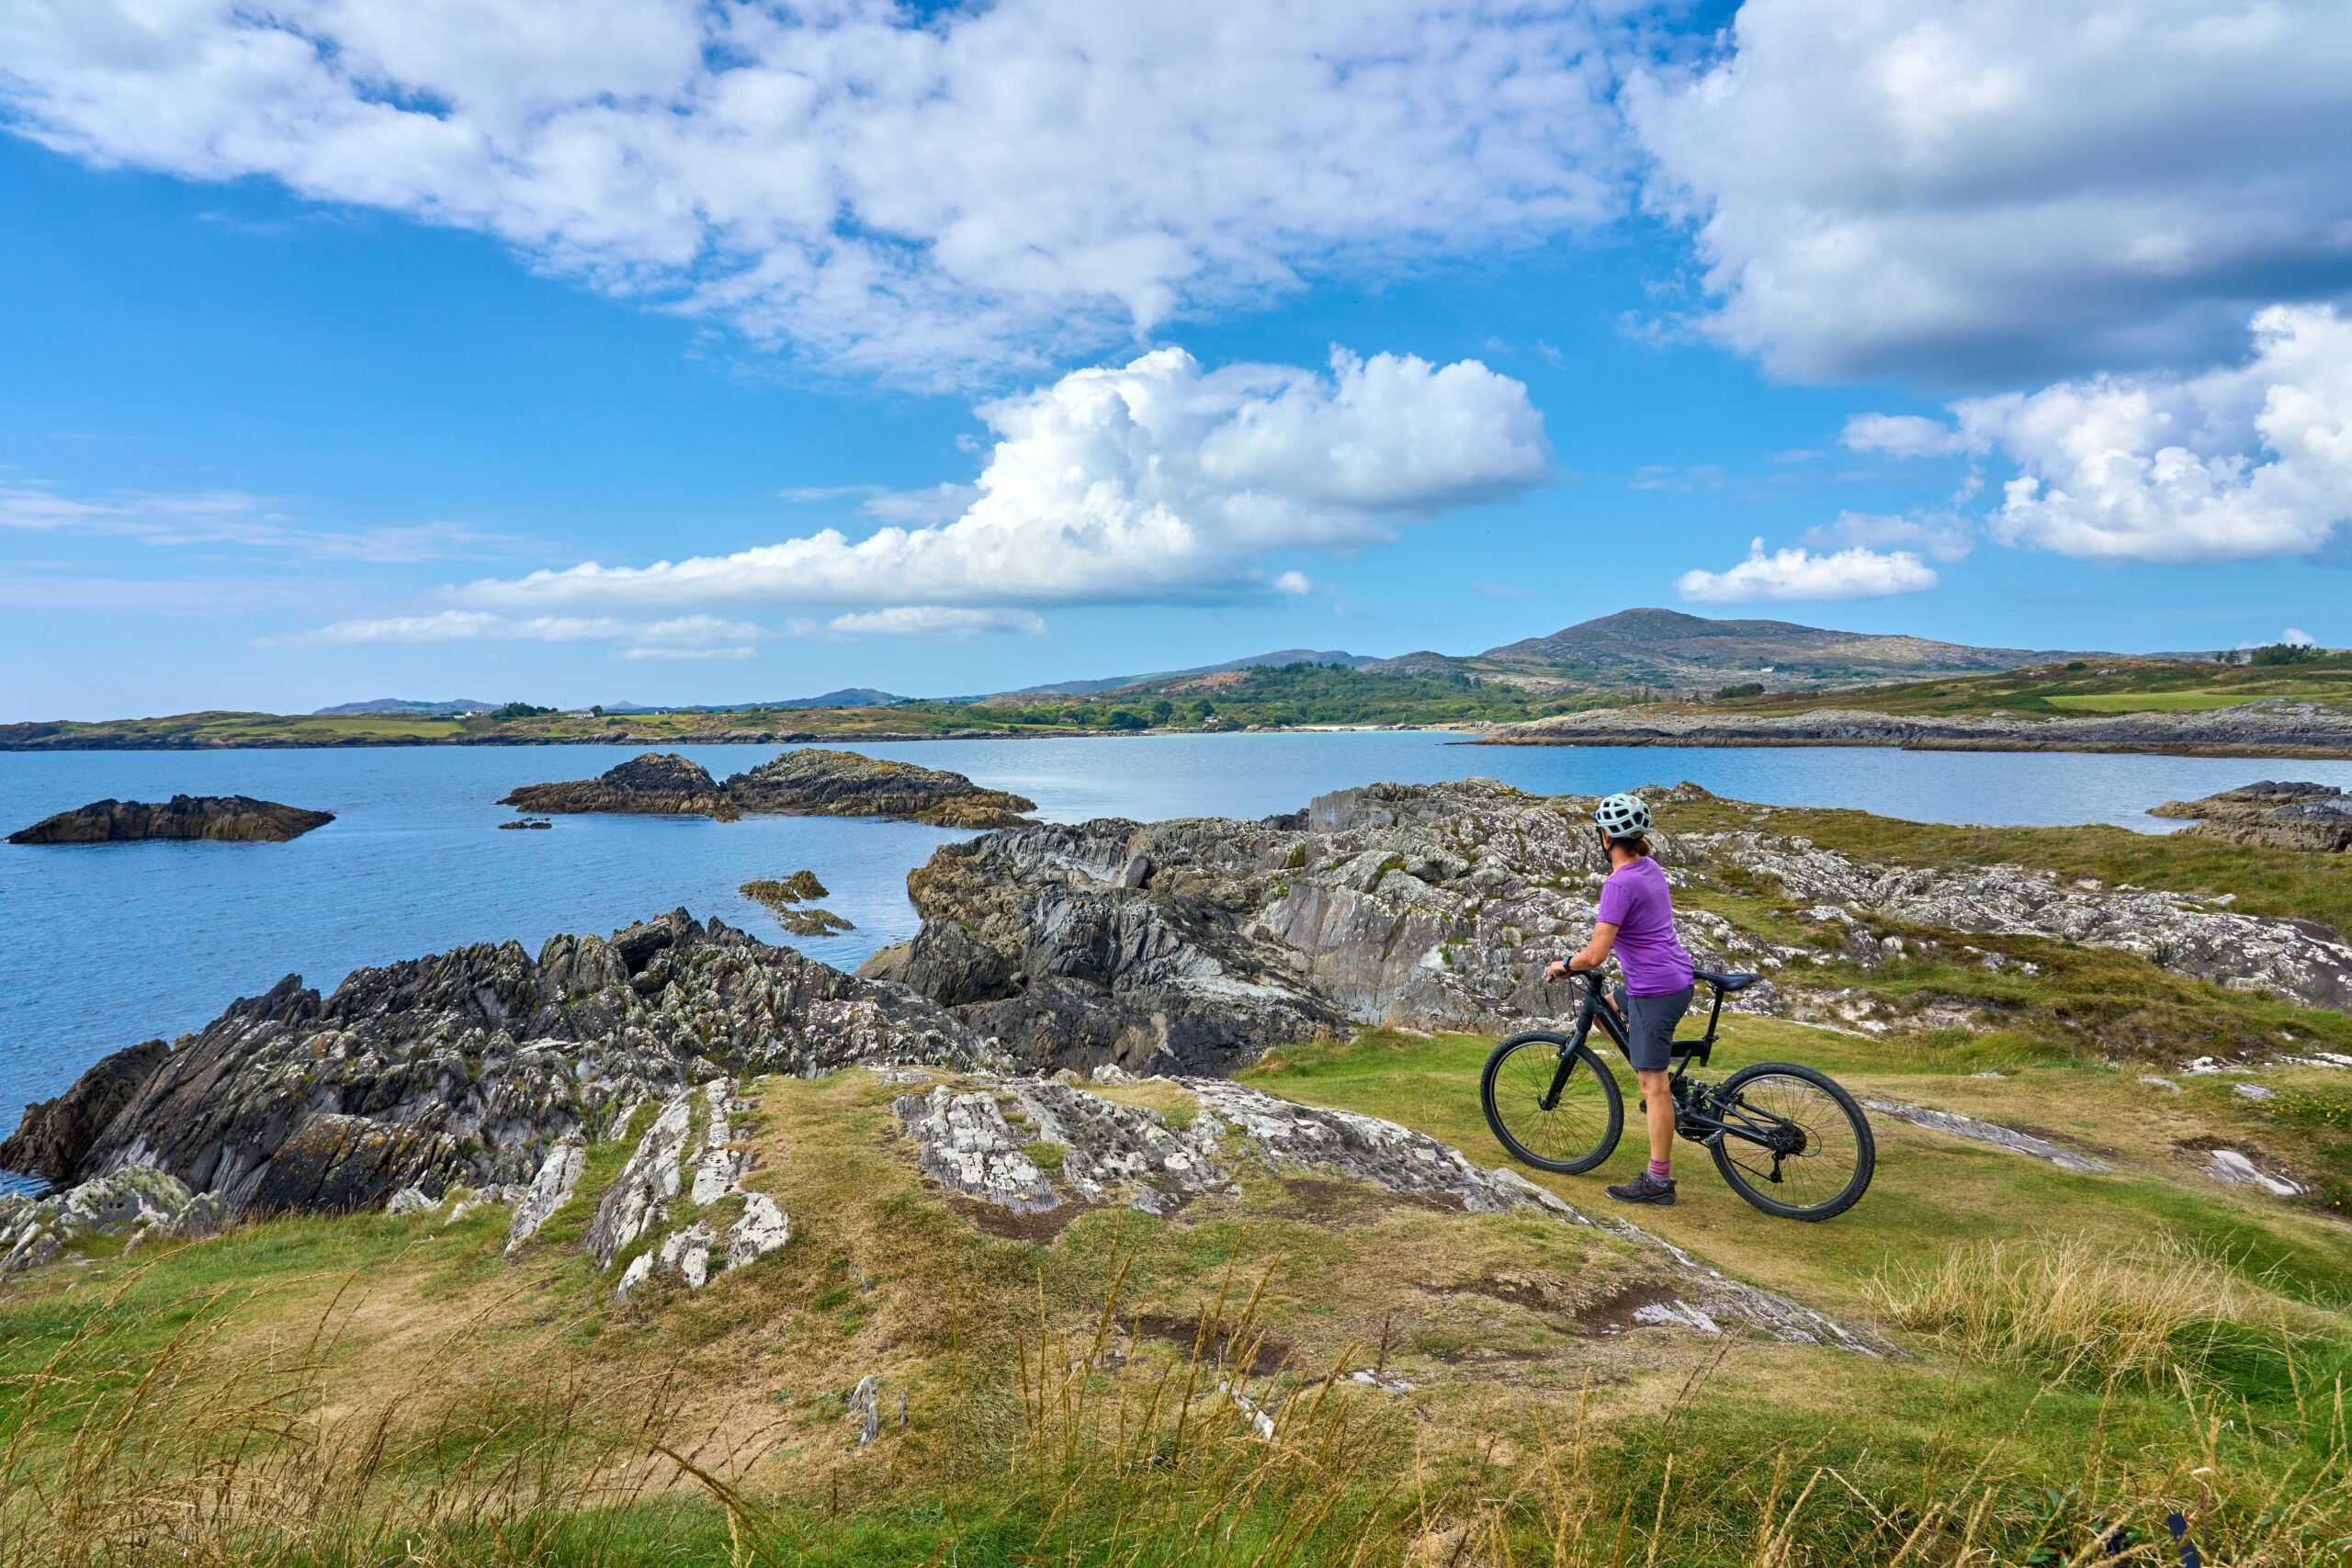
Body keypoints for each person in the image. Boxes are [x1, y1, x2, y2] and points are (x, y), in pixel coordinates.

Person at [1544, 792, 1696, 1206]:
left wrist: (1564, 964)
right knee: (1605, 1010)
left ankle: (1658, 1181)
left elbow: (1595, 956)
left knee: (1654, 1086)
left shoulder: (1618, 883)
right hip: (1676, 979)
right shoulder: (1649, 868)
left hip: (1653, 990)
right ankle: (1651, 1069)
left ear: (1608, 837)